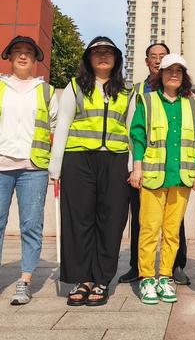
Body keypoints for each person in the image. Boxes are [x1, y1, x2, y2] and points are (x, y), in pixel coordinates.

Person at [49, 36, 134, 306]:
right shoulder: (75, 87)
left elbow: (133, 132)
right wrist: (56, 165)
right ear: (88, 58)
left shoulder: (126, 91)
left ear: (116, 59)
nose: (103, 56)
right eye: (97, 52)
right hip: (78, 160)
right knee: (79, 219)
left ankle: (101, 279)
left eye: (108, 52)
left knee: (111, 220)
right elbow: (62, 125)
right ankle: (82, 278)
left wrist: (134, 163)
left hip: (116, 160)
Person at [129, 54, 195, 304]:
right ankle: (147, 278)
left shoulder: (193, 104)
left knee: (172, 232)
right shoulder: (147, 100)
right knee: (149, 230)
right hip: (152, 176)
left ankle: (165, 277)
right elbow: (137, 137)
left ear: (184, 76)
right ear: (160, 74)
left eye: (179, 71)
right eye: (168, 70)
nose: (174, 74)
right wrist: (136, 169)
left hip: (181, 177)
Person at [118, 43, 191, 286]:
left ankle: (172, 268)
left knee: (173, 226)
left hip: (178, 173)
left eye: (163, 57)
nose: (159, 61)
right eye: (154, 57)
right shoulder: (139, 92)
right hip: (147, 169)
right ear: (148, 61)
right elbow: (133, 131)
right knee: (144, 223)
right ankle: (140, 270)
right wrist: (134, 166)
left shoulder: (188, 99)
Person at [0, 36, 57, 305]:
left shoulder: (45, 91)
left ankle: (24, 281)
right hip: (0, 165)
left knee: (31, 225)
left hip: (33, 167)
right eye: (17, 52)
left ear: (36, 60)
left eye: (28, 53)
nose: (23, 56)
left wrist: (55, 164)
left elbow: (55, 128)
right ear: (9, 57)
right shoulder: (0, 86)